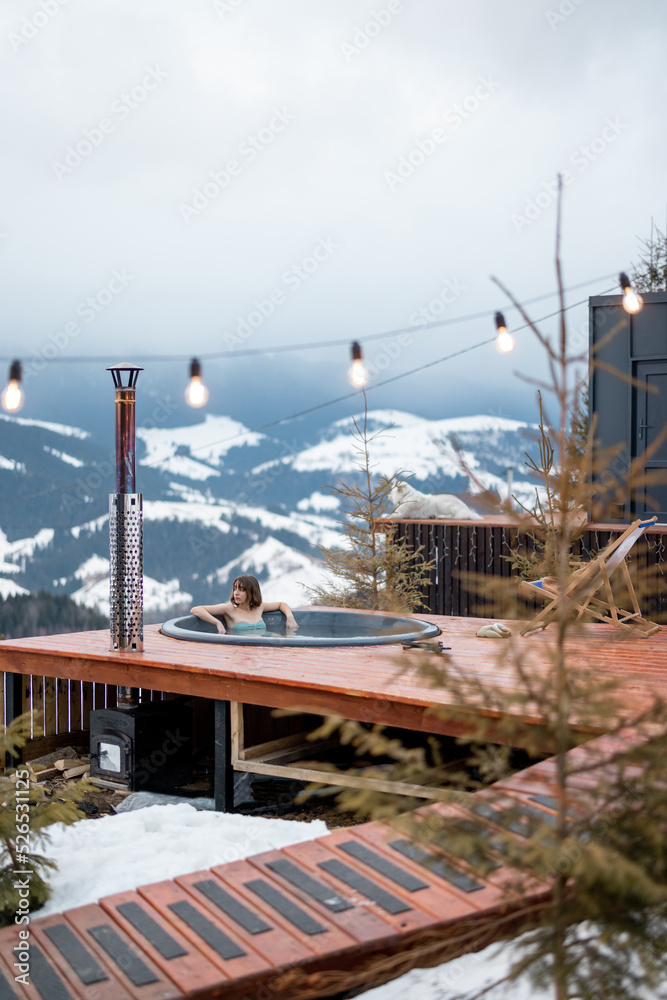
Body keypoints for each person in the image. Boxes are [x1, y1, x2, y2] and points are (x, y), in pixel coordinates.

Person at [190, 575, 298, 635]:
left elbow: (281, 604)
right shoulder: (229, 609)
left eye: (241, 590)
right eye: (235, 589)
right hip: (241, 649)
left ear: (251, 592)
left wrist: (290, 617)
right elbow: (196, 610)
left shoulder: (259, 607)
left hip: (264, 644)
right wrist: (217, 623)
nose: (236, 593)